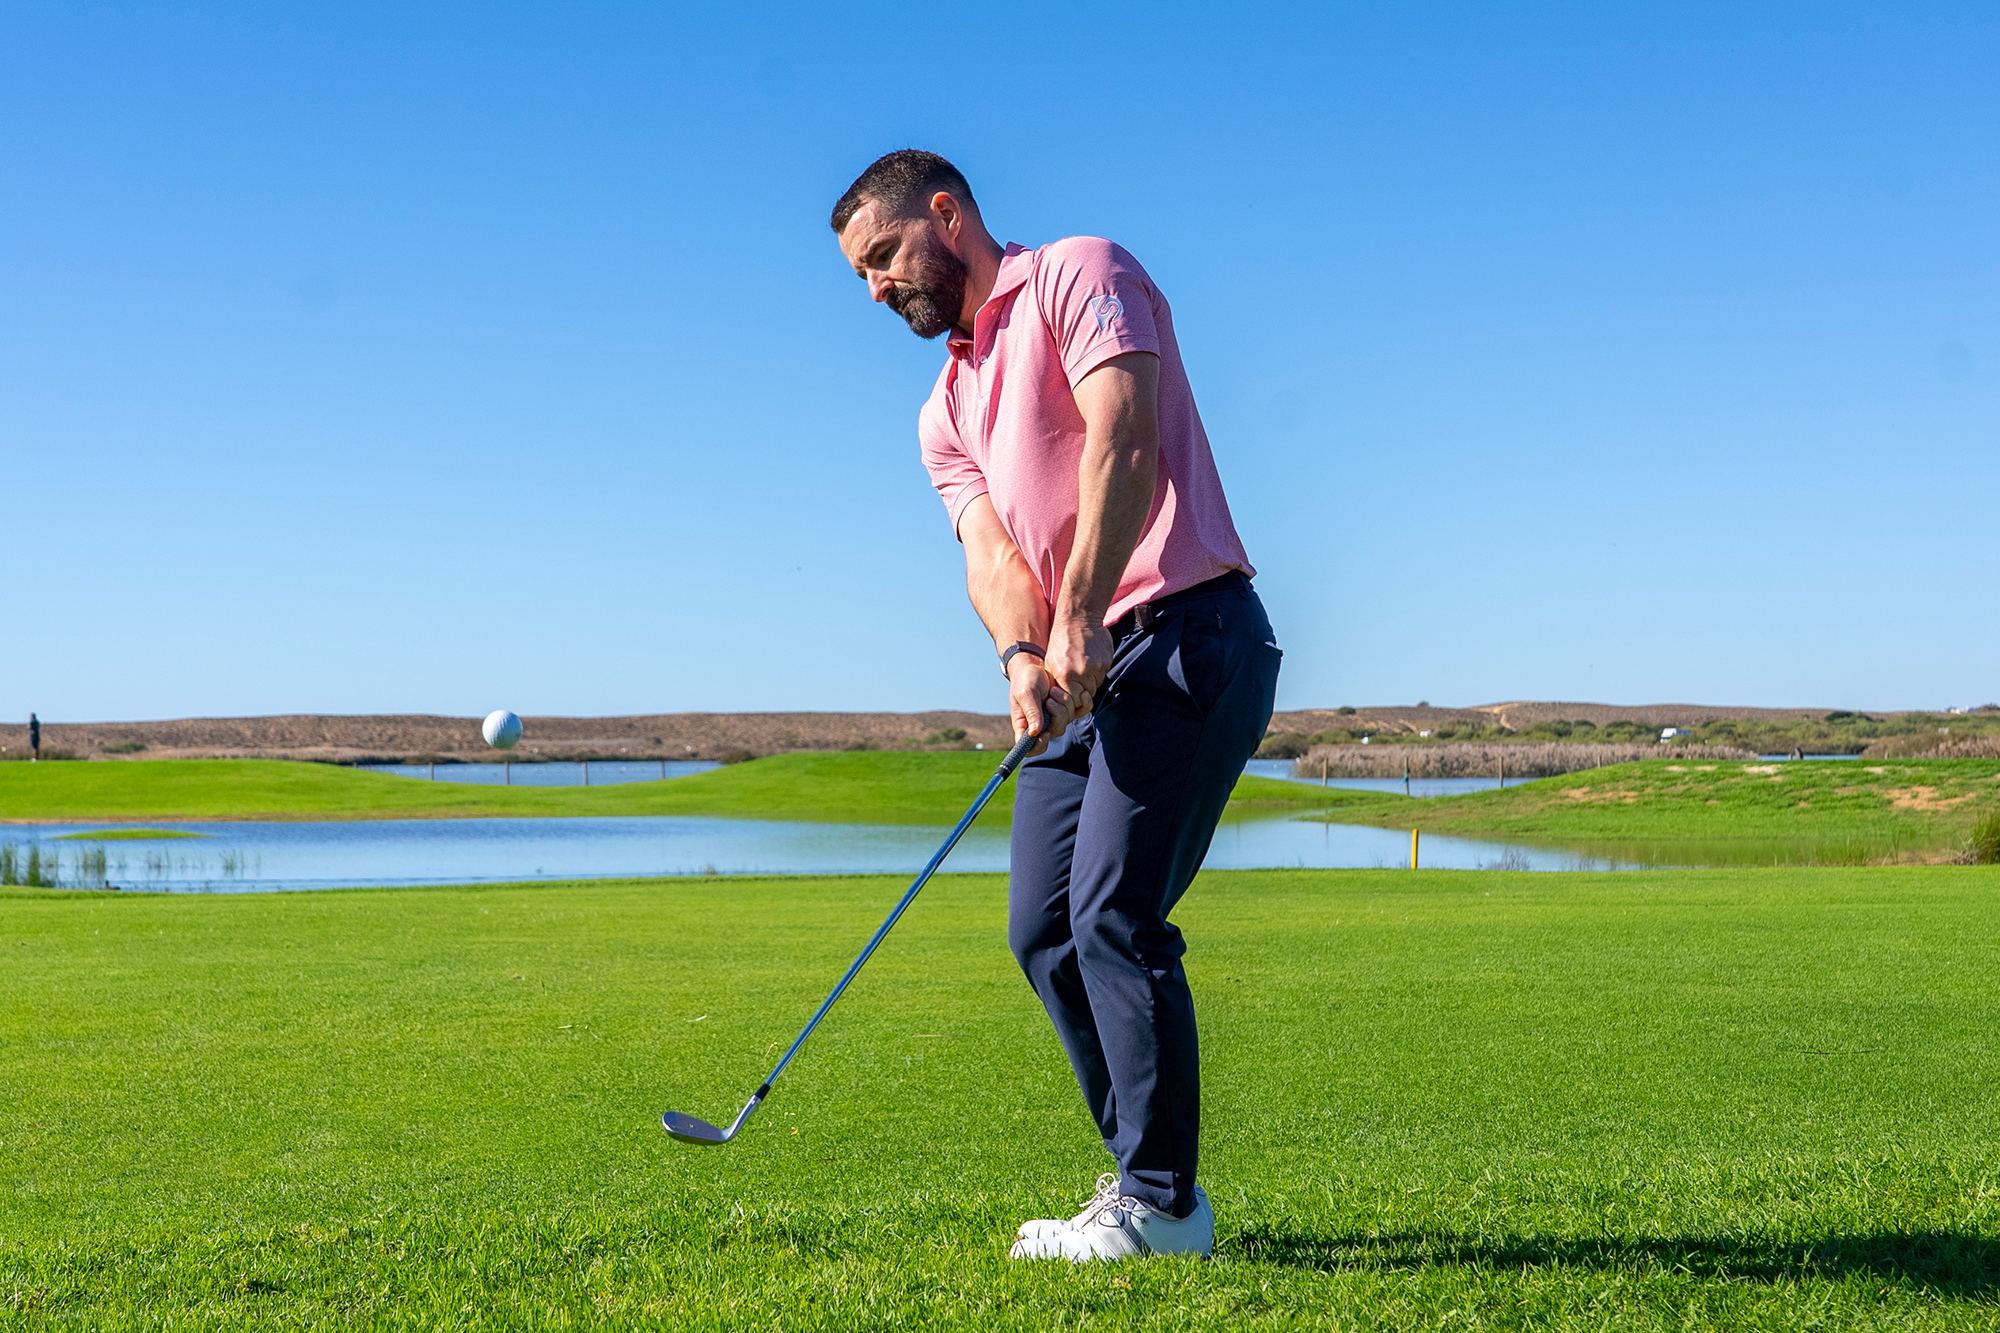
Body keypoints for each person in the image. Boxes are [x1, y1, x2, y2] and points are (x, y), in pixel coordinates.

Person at [832, 151, 1280, 1262]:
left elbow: (1121, 439)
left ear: (946, 214)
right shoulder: (942, 405)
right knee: (1042, 929)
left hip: (1183, 631)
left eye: (884, 256)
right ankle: (1139, 1182)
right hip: (1073, 668)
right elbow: (987, 550)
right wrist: (1022, 651)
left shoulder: (1080, 272)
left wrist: (1078, 611)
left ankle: (1163, 1203)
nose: (877, 287)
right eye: (860, 277)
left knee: (1113, 919)